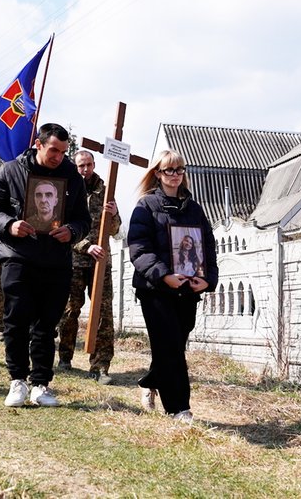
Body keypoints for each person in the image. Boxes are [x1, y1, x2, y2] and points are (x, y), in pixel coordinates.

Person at [0, 123, 91, 407]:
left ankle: (40, 384)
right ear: (39, 144)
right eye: (54, 150)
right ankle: (17, 380)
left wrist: (72, 231)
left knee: (47, 323)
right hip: (18, 257)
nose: (59, 157)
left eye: (64, 151)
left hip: (56, 261)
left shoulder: (71, 178)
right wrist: (10, 224)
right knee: (17, 319)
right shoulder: (11, 170)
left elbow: (83, 219)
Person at [127, 149, 218, 423]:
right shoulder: (145, 207)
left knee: (174, 345)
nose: (175, 175)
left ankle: (149, 382)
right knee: (169, 345)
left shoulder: (194, 209)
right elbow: (139, 249)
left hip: (187, 290)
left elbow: (208, 248)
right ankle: (180, 408)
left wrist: (208, 279)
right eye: (169, 170)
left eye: (179, 170)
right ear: (157, 173)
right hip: (154, 289)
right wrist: (164, 275)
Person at [58, 150, 121, 384]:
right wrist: (86, 246)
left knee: (103, 312)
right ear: (74, 167)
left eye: (88, 165)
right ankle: (64, 356)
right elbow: (61, 225)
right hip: (74, 259)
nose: (85, 170)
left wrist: (113, 215)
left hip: (101, 260)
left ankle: (101, 365)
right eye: (80, 166)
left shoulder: (106, 192)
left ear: (94, 165)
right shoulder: (67, 190)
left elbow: (115, 230)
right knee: (70, 309)